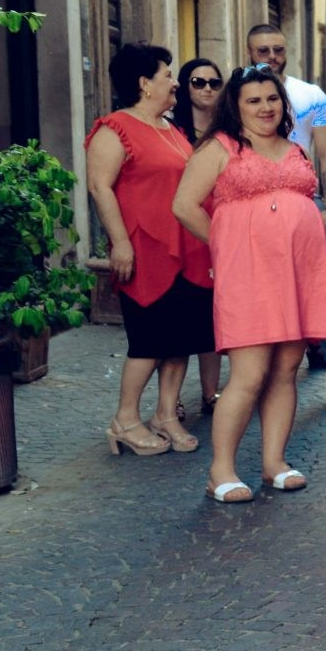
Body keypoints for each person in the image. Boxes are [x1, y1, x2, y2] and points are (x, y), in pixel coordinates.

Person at [172, 65, 326, 502]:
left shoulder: (295, 149)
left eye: (272, 99)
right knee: (248, 374)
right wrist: (227, 246)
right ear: (236, 105)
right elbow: (185, 205)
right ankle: (220, 470)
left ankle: (274, 463)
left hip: (298, 273)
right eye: (253, 100)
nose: (265, 107)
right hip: (247, 274)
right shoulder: (219, 147)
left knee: (286, 369)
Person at [86, 43, 216, 456]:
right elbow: (99, 186)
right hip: (147, 249)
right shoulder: (114, 128)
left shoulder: (171, 128)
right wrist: (120, 242)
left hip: (187, 248)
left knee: (181, 338)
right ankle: (125, 419)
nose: (175, 82)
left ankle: (165, 414)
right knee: (149, 339)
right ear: (144, 83)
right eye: (167, 75)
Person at [246, 23, 326, 403]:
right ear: (249, 52)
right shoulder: (236, 94)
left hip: (304, 201)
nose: (272, 57)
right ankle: (260, 370)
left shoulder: (312, 95)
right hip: (252, 206)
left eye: (278, 49)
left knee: (324, 284)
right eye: (262, 51)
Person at [172, 57, 228, 418]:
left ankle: (211, 394)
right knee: (180, 318)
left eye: (214, 81)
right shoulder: (172, 132)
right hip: (182, 230)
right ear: (184, 86)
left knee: (213, 317)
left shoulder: (228, 132)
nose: (207, 87)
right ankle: (171, 399)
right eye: (197, 81)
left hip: (219, 230)